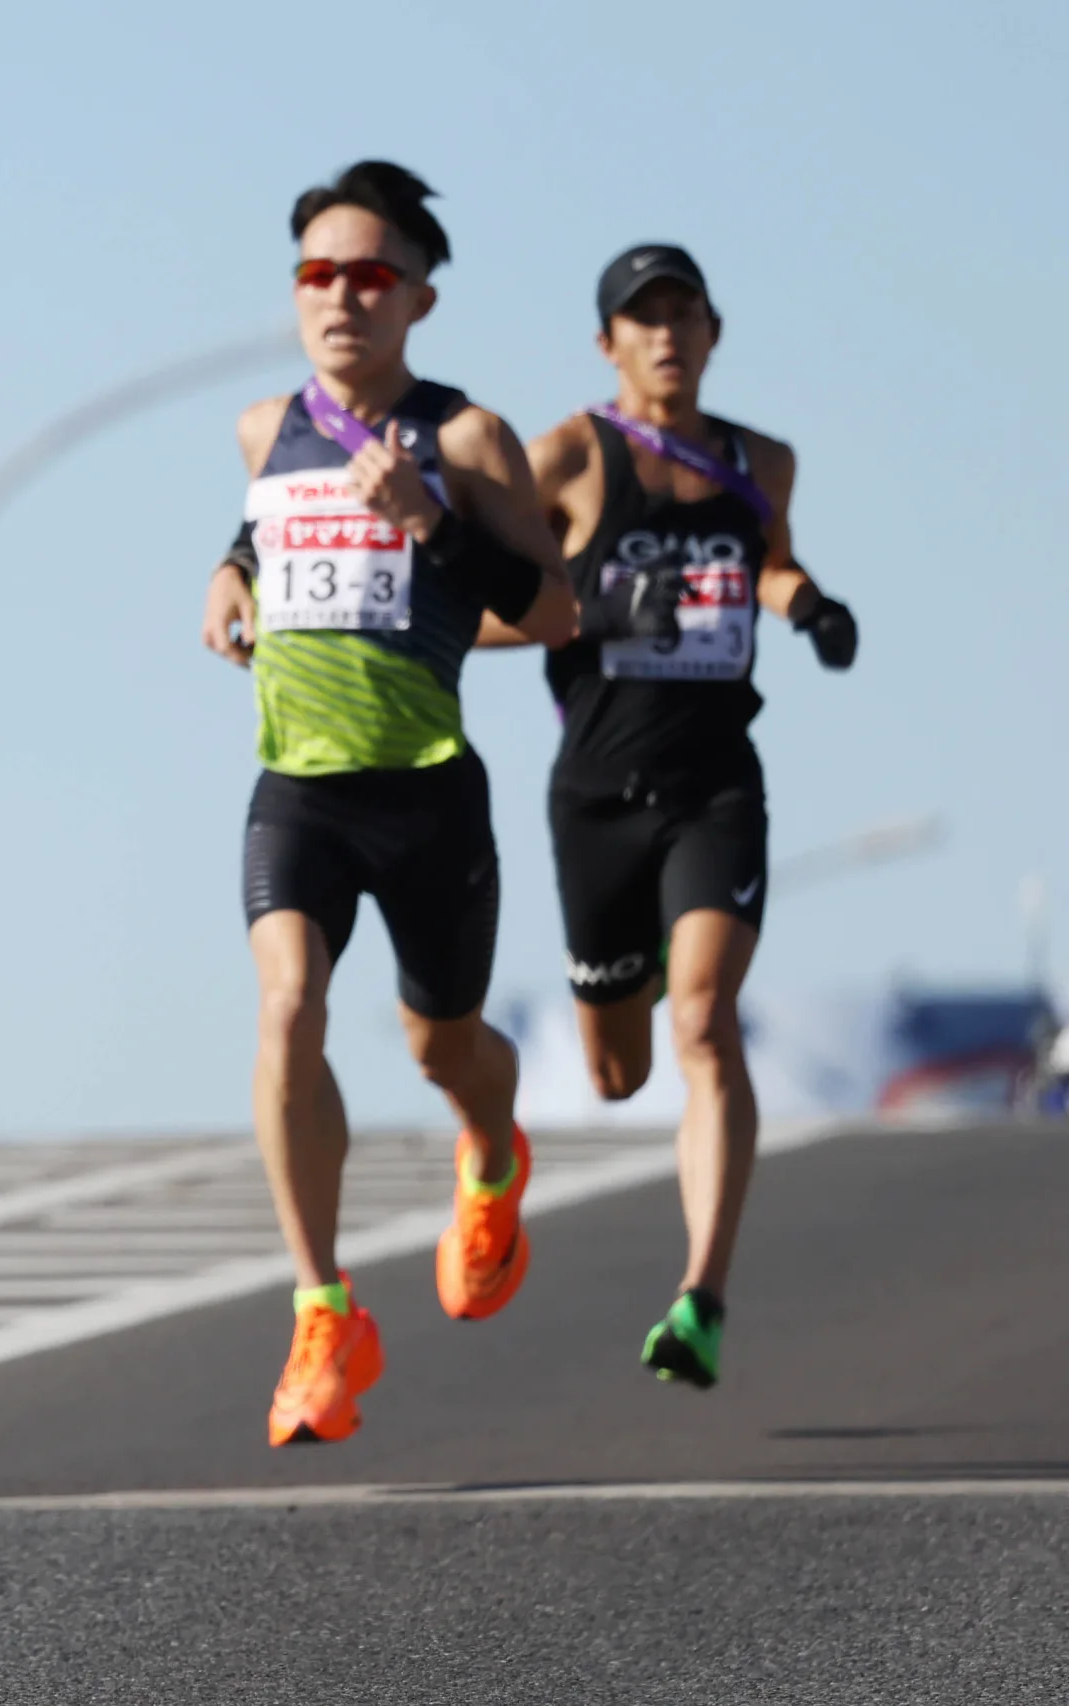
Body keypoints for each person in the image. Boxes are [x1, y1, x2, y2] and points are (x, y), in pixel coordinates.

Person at [201, 162, 576, 1448]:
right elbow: (266, 529)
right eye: (317, 274)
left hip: (427, 792)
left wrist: (432, 520)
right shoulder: (265, 427)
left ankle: (491, 1149)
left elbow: (552, 609)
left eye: (368, 276)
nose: (340, 297)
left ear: (417, 295)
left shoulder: (467, 440)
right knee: (287, 1005)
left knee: (439, 1047)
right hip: (298, 787)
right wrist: (229, 569)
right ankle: (322, 1309)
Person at [526, 245, 858, 1389]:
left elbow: (765, 563)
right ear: (606, 343)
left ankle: (700, 1295)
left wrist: (806, 603)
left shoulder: (760, 459)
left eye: (684, 315)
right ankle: (640, 981)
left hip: (716, 783)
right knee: (617, 1071)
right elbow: (495, 583)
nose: (666, 335)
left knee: (707, 1021)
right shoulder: (569, 452)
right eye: (642, 318)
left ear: (713, 333)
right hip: (596, 795)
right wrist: (605, 600)